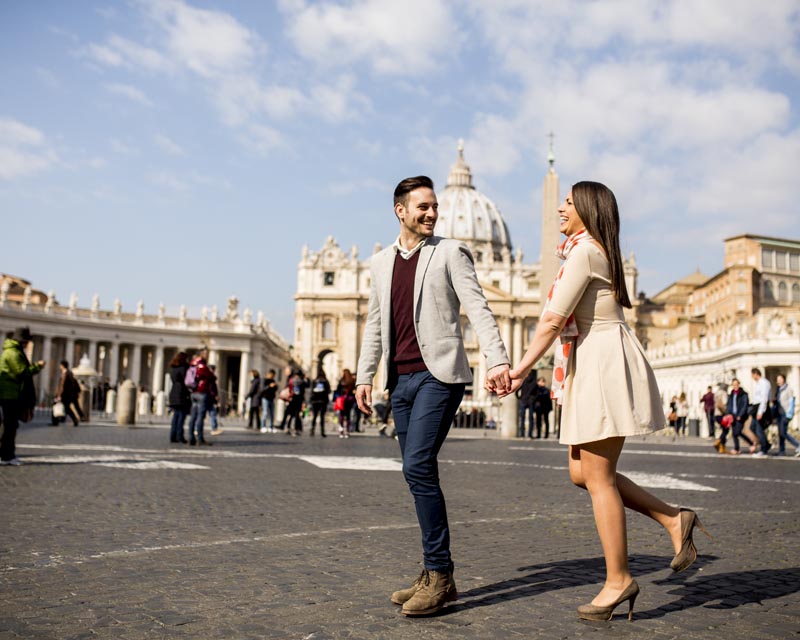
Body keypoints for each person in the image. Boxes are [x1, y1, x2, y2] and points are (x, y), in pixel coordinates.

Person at [497, 181, 709, 621]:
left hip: (601, 365)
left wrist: (519, 370)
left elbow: (552, 320)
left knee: (597, 476)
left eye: (568, 202)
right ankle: (674, 519)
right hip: (593, 360)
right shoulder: (587, 249)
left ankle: (619, 580)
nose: (559, 208)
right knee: (582, 472)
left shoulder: (584, 252)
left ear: (588, 209)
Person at [355, 175, 511, 617]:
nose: (430, 213)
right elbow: (374, 324)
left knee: (418, 464)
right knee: (415, 473)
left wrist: (497, 360)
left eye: (434, 206)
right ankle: (432, 570)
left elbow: (478, 306)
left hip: (438, 375)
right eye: (421, 207)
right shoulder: (381, 263)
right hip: (399, 380)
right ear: (399, 211)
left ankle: (440, 576)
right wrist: (365, 375)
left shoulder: (450, 252)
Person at [0, 327, 44, 466]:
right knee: (10, 426)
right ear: (22, 341)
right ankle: (7, 456)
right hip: (10, 394)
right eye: (26, 342)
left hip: (11, 393)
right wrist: (38, 366)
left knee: (10, 425)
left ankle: (7, 454)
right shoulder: (13, 353)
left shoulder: (13, 351)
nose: (27, 345)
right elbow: (21, 372)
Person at [714, 378, 752, 455]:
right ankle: (729, 446)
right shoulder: (730, 394)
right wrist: (728, 413)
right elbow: (727, 404)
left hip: (737, 415)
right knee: (732, 432)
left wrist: (740, 415)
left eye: (736, 384)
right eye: (733, 384)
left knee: (735, 432)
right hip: (729, 415)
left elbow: (744, 405)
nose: (735, 386)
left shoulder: (743, 394)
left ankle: (720, 443)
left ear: (739, 384)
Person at [187, 348, 214, 446]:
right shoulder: (201, 364)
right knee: (200, 416)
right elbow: (210, 376)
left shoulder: (192, 364)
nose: (207, 355)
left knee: (193, 416)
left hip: (193, 392)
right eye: (206, 354)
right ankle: (200, 438)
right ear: (202, 354)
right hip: (201, 392)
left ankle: (191, 437)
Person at [773, 373, 799, 457]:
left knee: (783, 433)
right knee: (781, 433)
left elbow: (791, 402)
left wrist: (790, 414)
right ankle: (781, 451)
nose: (778, 381)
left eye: (780, 379)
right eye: (777, 379)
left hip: (785, 414)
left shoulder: (788, 389)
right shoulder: (778, 390)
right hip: (779, 413)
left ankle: (798, 445)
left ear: (784, 379)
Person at [167, 351, 190, 444]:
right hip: (181, 393)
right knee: (181, 416)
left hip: (173, 392)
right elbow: (186, 381)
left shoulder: (173, 368)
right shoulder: (183, 368)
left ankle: (173, 436)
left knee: (175, 416)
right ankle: (180, 436)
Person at [749, 368, 772, 457]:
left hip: (761, 408)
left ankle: (764, 449)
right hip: (756, 408)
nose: (752, 377)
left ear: (755, 374)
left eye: (752, 375)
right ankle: (766, 444)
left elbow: (764, 398)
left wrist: (760, 411)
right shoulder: (758, 383)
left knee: (759, 429)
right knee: (752, 427)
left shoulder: (764, 383)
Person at [55, 360, 84, 426]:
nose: (59, 367)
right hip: (66, 394)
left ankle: (74, 419)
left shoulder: (67, 373)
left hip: (66, 394)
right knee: (67, 407)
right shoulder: (66, 373)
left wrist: (59, 395)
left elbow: (64, 385)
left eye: (60, 365)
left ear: (62, 365)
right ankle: (75, 418)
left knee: (66, 408)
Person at [309, 368, 331, 437]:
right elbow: (329, 391)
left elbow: (311, 391)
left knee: (314, 416)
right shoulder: (326, 381)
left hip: (315, 401)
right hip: (323, 401)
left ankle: (312, 431)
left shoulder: (314, 381)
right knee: (322, 417)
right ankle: (322, 431)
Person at [516, 370, 537, 438]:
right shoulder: (534, 382)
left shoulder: (524, 381)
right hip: (530, 401)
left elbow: (517, 390)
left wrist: (519, 397)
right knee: (531, 419)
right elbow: (537, 393)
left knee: (522, 418)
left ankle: (522, 434)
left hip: (524, 400)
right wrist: (533, 399)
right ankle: (529, 434)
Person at [336, 369, 356, 438]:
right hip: (349, 400)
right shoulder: (352, 381)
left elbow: (337, 391)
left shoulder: (341, 381)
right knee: (348, 416)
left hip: (342, 400)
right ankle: (347, 431)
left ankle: (341, 431)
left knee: (341, 415)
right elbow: (354, 391)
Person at [260, 369, 278, 433]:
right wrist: (269, 386)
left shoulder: (273, 381)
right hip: (265, 398)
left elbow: (275, 389)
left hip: (271, 399)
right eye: (272, 375)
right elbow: (262, 389)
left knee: (272, 414)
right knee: (265, 412)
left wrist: (275, 386)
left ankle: (271, 427)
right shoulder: (264, 380)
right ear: (269, 374)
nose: (273, 376)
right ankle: (263, 426)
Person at [207, 364, 222, 436]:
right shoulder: (209, 377)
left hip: (209, 397)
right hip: (208, 397)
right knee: (212, 412)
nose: (213, 371)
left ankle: (214, 428)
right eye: (213, 369)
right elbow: (210, 388)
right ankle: (214, 428)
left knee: (211, 412)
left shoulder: (210, 377)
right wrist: (214, 395)